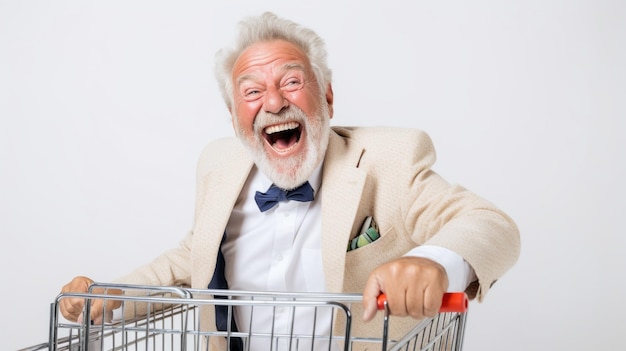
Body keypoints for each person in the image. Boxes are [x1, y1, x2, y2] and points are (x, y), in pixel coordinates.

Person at [59, 11, 520, 350]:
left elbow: (489, 223)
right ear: (234, 115)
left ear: (328, 96)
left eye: (292, 81)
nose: (274, 103)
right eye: (252, 91)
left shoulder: (389, 159)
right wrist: (109, 295)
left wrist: (433, 262)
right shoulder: (218, 165)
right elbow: (191, 257)